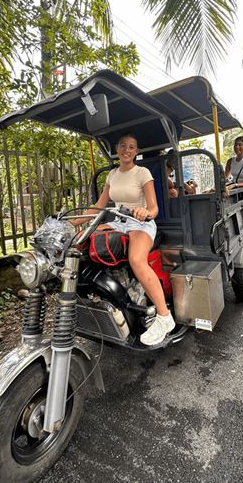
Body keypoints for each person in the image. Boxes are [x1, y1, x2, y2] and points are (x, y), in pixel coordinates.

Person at [72, 133, 175, 346]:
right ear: (117, 149)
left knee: (137, 260)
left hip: (140, 223)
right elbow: (98, 206)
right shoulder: (112, 175)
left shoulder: (142, 173)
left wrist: (144, 213)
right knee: (80, 241)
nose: (126, 150)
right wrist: (71, 222)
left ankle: (165, 317)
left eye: (131, 147)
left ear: (136, 152)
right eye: (123, 146)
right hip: (119, 222)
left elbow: (154, 208)